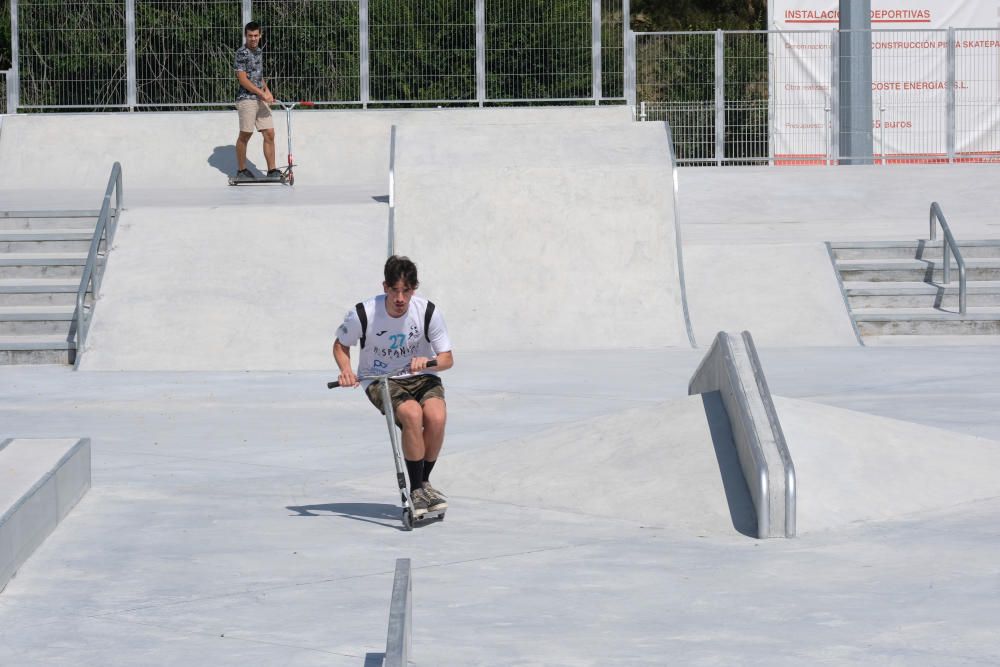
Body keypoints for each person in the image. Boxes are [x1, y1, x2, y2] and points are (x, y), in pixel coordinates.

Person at [333, 256, 454, 518]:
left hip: (421, 375)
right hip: (380, 377)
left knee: (436, 416)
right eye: (395, 290)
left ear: (414, 289)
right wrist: (346, 370)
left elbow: (447, 359)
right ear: (385, 286)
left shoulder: (428, 312)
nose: (400, 298)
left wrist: (428, 361)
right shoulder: (362, 314)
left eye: (406, 291)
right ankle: (415, 489)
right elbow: (341, 345)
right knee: (412, 414)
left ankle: (424, 484)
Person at [234, 21, 278, 180]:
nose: (253, 38)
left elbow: (258, 76)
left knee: (270, 134)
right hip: (246, 99)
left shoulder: (258, 51)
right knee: (245, 134)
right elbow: (243, 79)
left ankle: (272, 171)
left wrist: (267, 91)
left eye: (256, 35)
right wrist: (261, 93)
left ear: (260, 35)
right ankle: (241, 171)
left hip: (260, 98)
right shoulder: (241, 53)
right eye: (250, 35)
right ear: (246, 35)